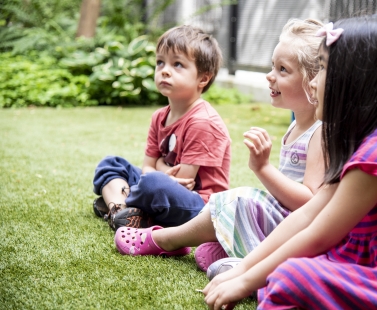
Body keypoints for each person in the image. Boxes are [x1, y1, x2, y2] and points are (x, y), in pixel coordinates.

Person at [202, 14, 377, 310]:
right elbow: (308, 215)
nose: (312, 81)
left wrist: (246, 282)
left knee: (291, 277)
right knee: (288, 274)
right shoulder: (360, 140)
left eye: (323, 67)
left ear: (356, 82)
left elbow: (319, 235)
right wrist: (242, 272)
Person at [113, 18, 326, 269]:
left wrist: (262, 168)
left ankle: (164, 239)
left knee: (238, 199)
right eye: (272, 66)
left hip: (296, 231)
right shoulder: (297, 126)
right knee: (116, 165)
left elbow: (310, 204)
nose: (270, 76)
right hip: (282, 223)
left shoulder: (320, 133)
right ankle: (230, 248)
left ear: (314, 81)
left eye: (283, 70)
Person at [92, 25, 231, 231]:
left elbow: (183, 180)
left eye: (177, 64)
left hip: (199, 206)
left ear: (203, 78)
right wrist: (158, 168)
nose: (164, 70)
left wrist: (158, 167)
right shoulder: (159, 117)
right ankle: (121, 211)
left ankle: (119, 200)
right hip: (163, 187)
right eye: (160, 62)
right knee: (111, 164)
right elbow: (147, 166)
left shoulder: (203, 121)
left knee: (153, 184)